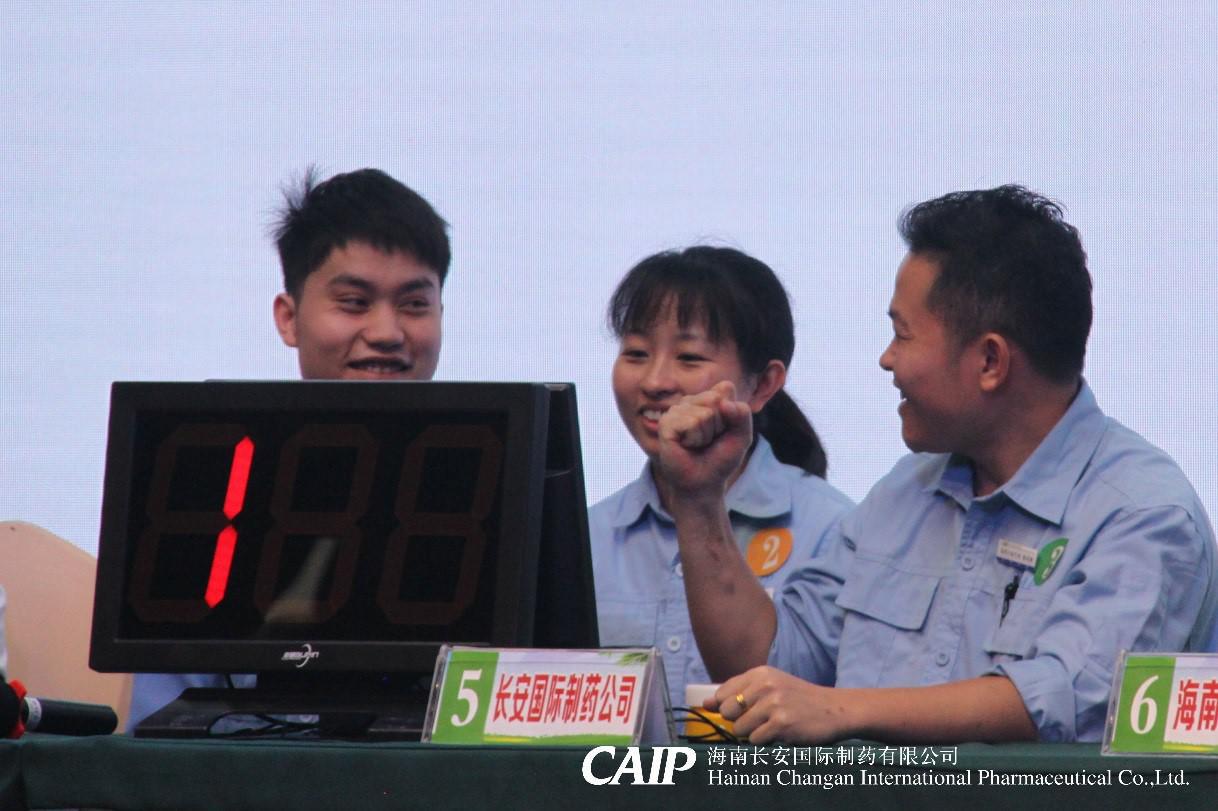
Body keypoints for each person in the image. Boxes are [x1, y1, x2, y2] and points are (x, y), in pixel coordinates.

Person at [660, 186, 1217, 743]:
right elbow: (768, 663)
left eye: (902, 334)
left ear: (990, 360)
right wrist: (699, 500)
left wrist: (843, 709)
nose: (887, 359)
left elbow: (1071, 698)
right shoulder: (906, 491)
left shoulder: (1142, 513)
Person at [127, 167, 451, 729]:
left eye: (415, 304)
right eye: (354, 302)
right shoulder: (202, 484)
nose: (387, 332)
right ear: (289, 317)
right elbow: (159, 737)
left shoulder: (495, 483)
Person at [589, 246, 854, 713]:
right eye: (636, 353)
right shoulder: (584, 535)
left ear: (764, 384)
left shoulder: (834, 529)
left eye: (689, 358)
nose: (655, 381)